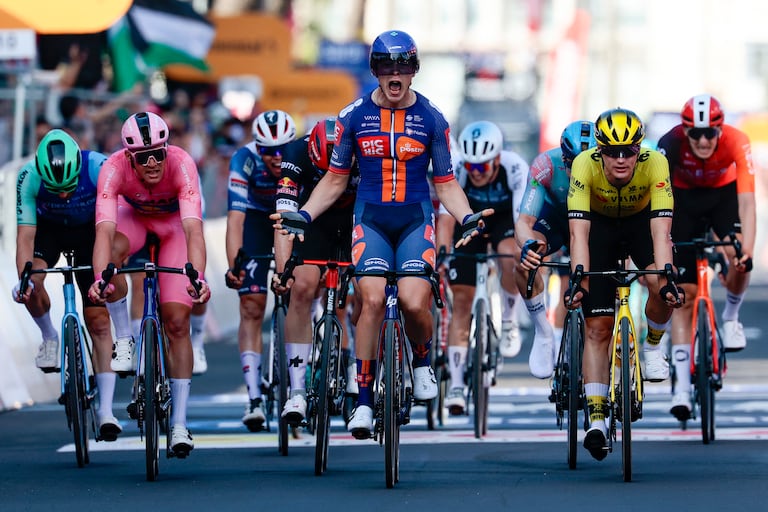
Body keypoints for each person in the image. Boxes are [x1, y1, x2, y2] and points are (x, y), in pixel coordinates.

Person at [272, 30, 491, 440]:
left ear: (414, 71)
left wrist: (467, 218)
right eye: (386, 66)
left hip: (413, 219)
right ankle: (364, 402)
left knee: (412, 301)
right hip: (369, 219)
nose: (395, 74)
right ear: (375, 71)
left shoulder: (432, 118)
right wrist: (302, 214)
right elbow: (335, 181)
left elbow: (445, 185)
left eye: (403, 66)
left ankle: (423, 360)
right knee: (370, 299)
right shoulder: (353, 116)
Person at [87, 111, 210, 457]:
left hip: (174, 228)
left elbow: (193, 231)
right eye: (144, 157)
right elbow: (105, 231)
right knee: (111, 263)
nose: (154, 162)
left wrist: (196, 278)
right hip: (133, 221)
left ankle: (180, 423)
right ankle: (124, 337)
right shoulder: (113, 169)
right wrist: (100, 279)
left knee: (176, 320)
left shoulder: (182, 164)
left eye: (159, 152)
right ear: (129, 157)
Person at [566, 108, 682, 460]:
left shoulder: (655, 163)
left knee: (660, 282)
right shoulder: (584, 165)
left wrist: (666, 279)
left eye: (628, 151)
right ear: (598, 151)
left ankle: (653, 344)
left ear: (638, 149)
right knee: (598, 328)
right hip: (598, 228)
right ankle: (597, 418)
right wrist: (579, 280)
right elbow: (578, 233)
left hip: (640, 225)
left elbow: (661, 232)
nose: (620, 159)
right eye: (611, 152)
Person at [13, 129, 129, 441]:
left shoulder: (98, 167)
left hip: (92, 232)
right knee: (31, 282)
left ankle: (106, 410)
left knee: (97, 320)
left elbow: (120, 219)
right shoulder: (28, 175)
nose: (63, 195)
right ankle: (50, 336)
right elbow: (25, 237)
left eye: (68, 188)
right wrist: (25, 277)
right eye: (56, 189)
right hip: (48, 233)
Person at [656, 94, 755, 421]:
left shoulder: (737, 141)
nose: (702, 140)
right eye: (694, 133)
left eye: (709, 133)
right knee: (683, 298)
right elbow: (657, 200)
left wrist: (747, 250)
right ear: (684, 131)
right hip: (682, 201)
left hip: (722, 198)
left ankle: (730, 316)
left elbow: (747, 204)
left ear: (719, 130)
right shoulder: (668, 143)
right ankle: (682, 388)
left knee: (737, 252)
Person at [435, 120, 527, 415]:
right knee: (461, 302)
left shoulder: (513, 167)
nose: (476, 173)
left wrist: (522, 249)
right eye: (472, 167)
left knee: (509, 255)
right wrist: (442, 254)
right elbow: (446, 217)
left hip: (503, 222)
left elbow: (520, 217)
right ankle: (458, 385)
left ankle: (510, 319)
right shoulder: (458, 167)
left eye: (482, 167)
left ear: (497, 159)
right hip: (469, 222)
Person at [272, 117, 358, 425]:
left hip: (353, 218)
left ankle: (357, 365)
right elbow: (284, 219)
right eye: (321, 171)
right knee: (302, 287)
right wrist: (284, 273)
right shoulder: (295, 155)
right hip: (313, 220)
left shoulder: (360, 150)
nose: (327, 176)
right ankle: (296, 391)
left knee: (365, 289)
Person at [224, 109, 297, 432]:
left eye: (281, 149)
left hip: (292, 215)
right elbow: (235, 220)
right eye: (268, 151)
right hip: (255, 219)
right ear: (257, 148)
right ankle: (254, 396)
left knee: (301, 290)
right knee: (251, 305)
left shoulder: (301, 156)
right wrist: (234, 265)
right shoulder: (244, 160)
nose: (275, 157)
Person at [515, 120, 597, 379]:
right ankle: (543, 329)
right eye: (573, 164)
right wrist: (529, 244)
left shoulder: (612, 170)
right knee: (526, 261)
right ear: (563, 157)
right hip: (555, 219)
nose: (579, 171)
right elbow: (524, 222)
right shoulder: (545, 166)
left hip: (593, 221)